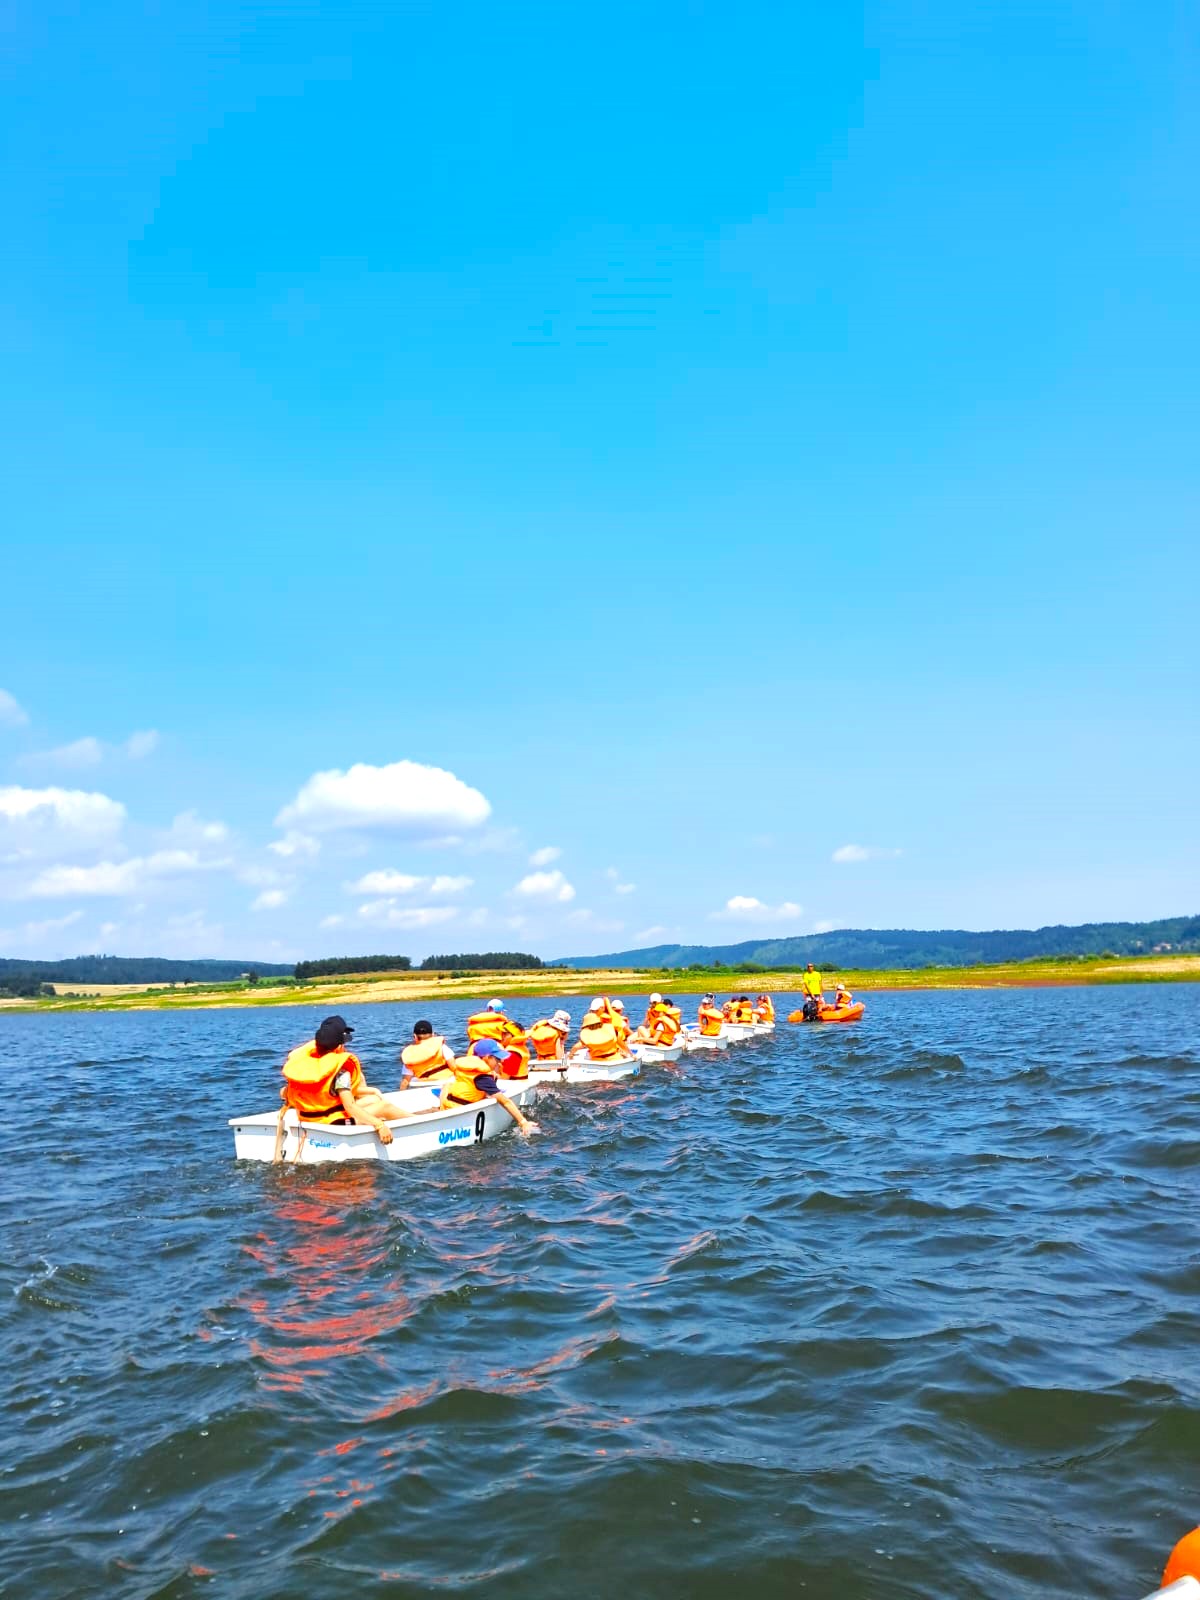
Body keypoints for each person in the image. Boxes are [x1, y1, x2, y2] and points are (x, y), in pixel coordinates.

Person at [281, 1015, 410, 1144]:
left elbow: (284, 1093)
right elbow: (350, 1106)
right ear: (339, 1047)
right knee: (385, 1107)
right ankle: (418, 1121)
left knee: (373, 1099)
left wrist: (372, 1090)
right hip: (334, 1124)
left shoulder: (304, 1068)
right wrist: (379, 1125)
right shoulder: (340, 1072)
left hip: (308, 1120)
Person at [436, 1038, 540, 1136]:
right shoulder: (483, 1078)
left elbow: (448, 1085)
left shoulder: (465, 1070)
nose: (500, 1062)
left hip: (448, 1106)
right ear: (487, 1058)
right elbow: (505, 1101)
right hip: (458, 1113)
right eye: (497, 1059)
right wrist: (523, 1122)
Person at [465, 997, 529, 1076]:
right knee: (498, 1071)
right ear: (501, 1012)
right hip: (495, 1047)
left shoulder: (475, 1023)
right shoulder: (504, 1023)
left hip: (474, 1047)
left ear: (487, 1010)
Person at [399, 1019, 456, 1088]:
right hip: (446, 1083)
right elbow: (454, 1068)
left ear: (415, 1036)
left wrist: (401, 1091)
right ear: (433, 1034)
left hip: (424, 1085)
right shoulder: (442, 1047)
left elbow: (405, 1081)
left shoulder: (410, 1054)